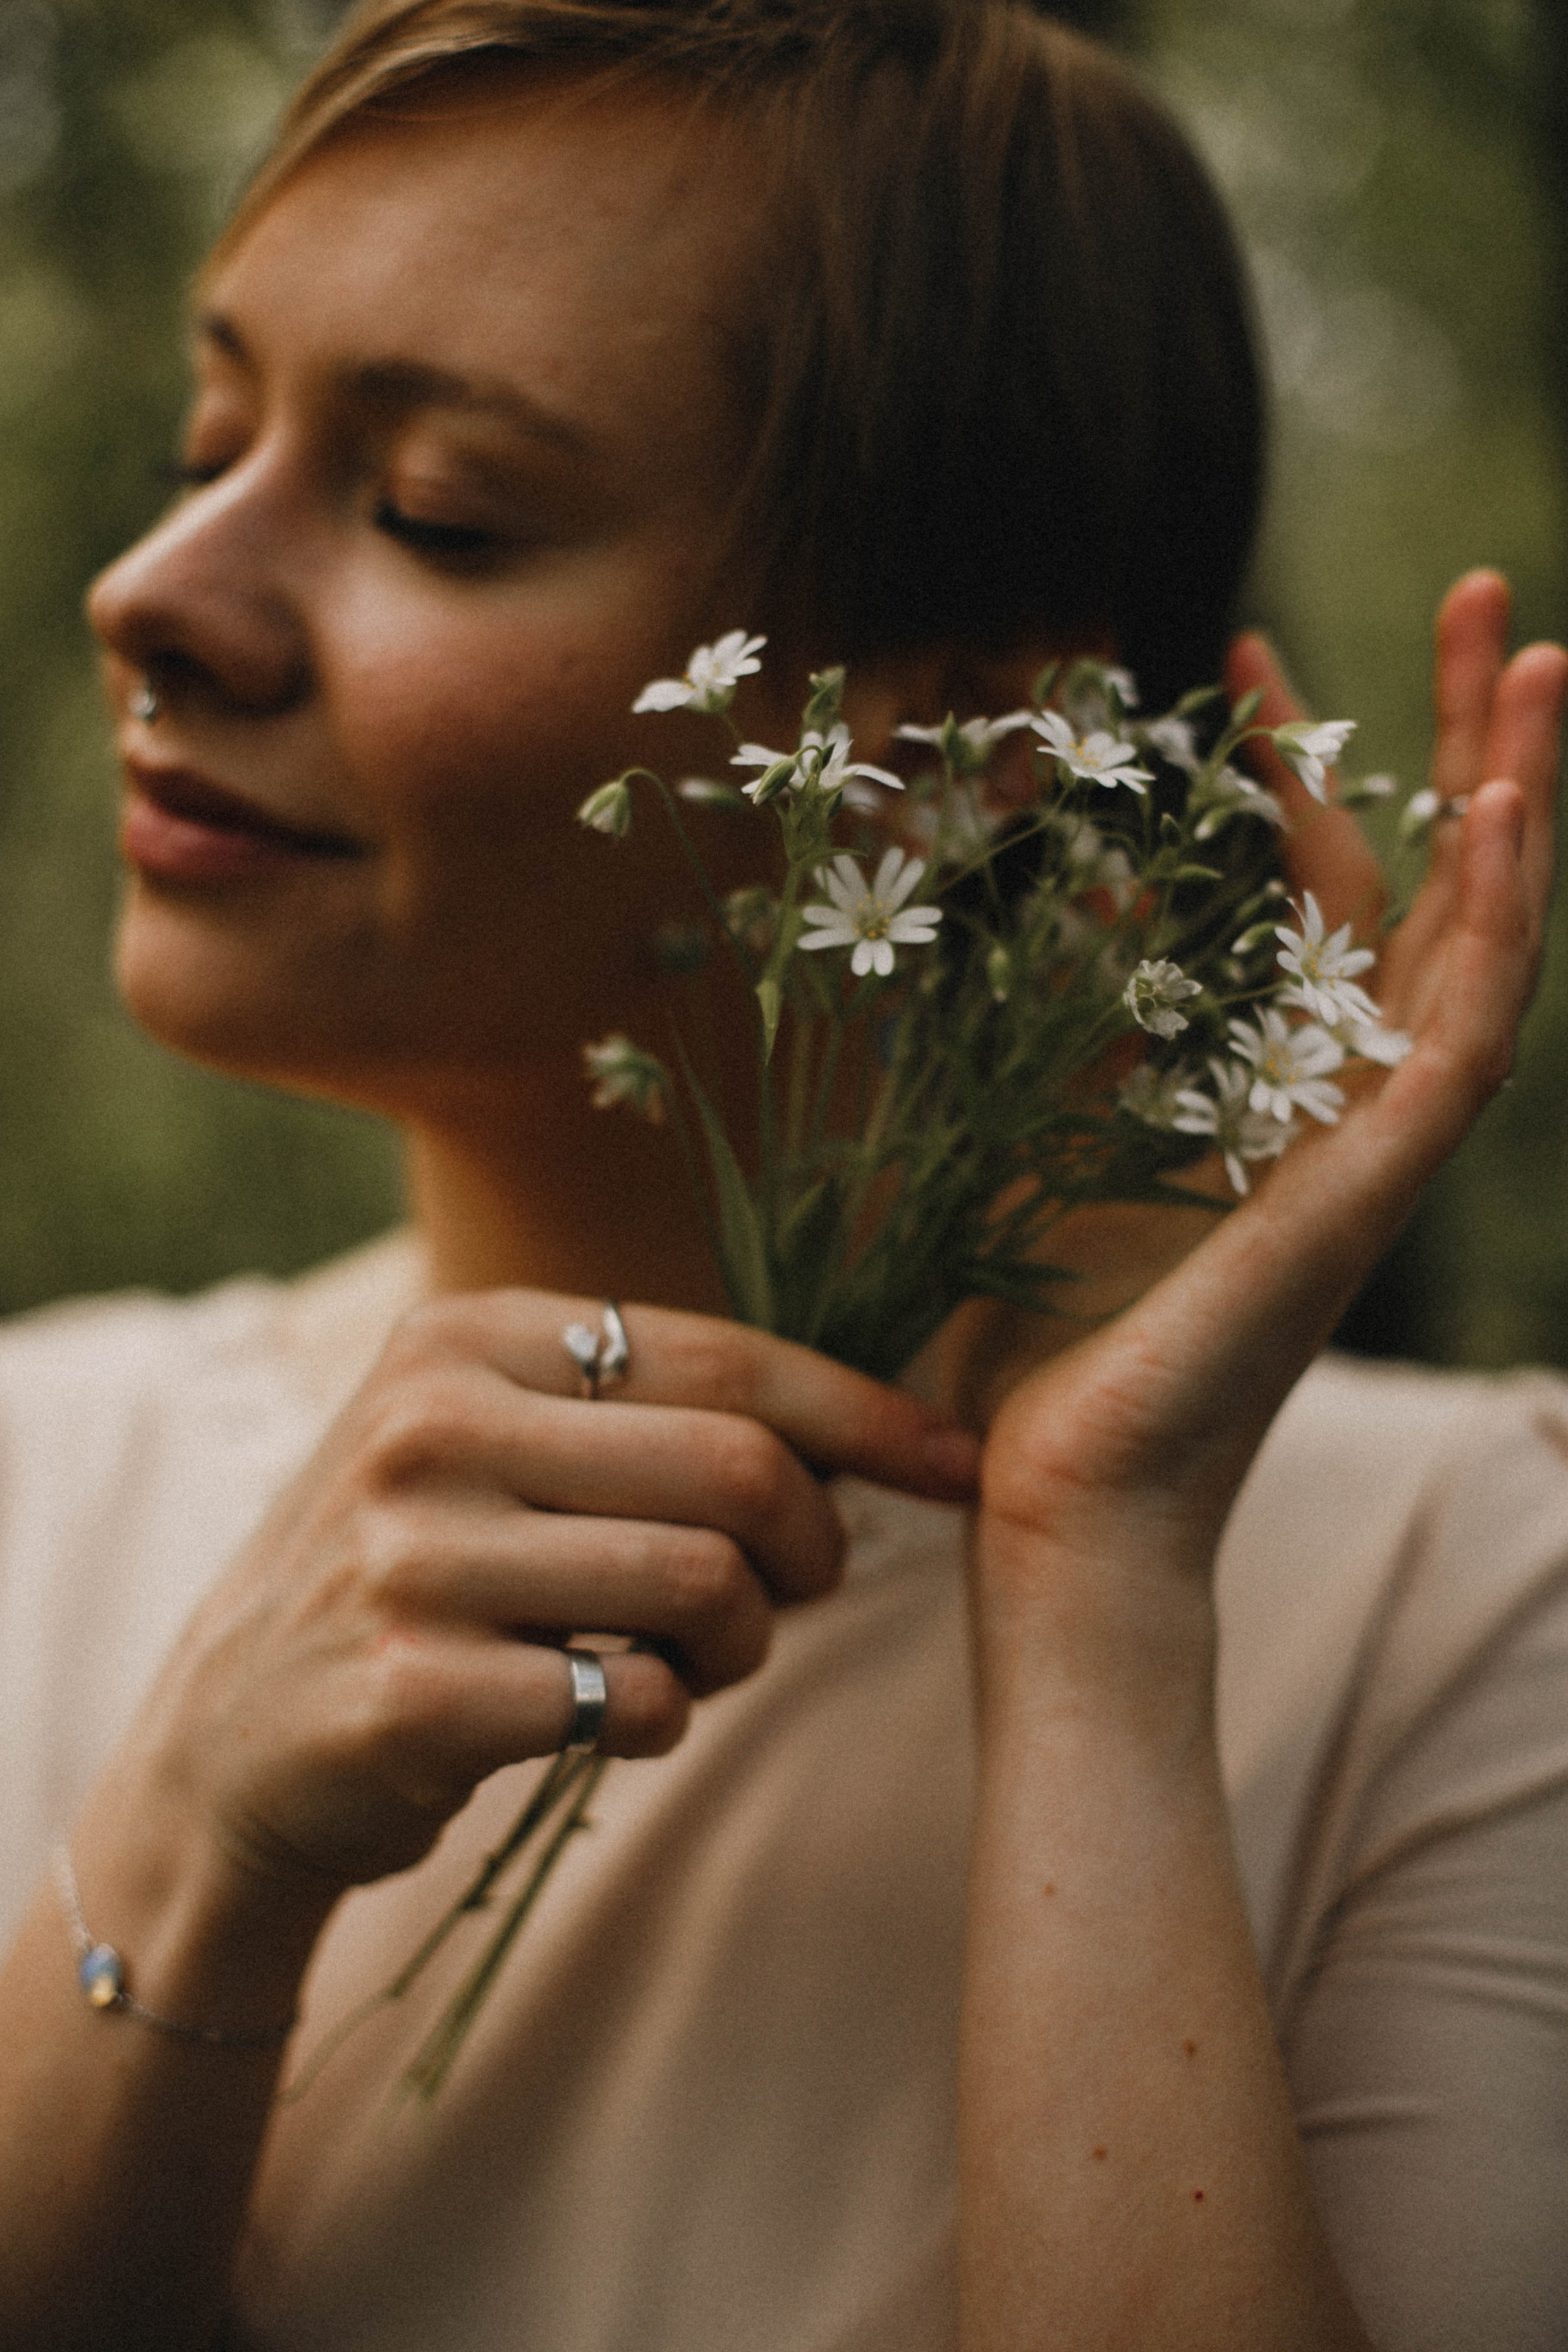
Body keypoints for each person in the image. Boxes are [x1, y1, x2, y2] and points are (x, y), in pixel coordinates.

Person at [0, 2, 1564, 2346]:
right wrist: (192, 1836)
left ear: (970, 740)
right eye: (204, 444)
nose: (151, 590)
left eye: (438, 511)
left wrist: (1100, 1596)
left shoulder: (1470, 1603)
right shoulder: (41, 1473)